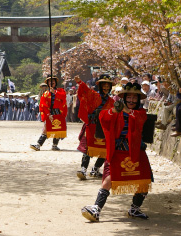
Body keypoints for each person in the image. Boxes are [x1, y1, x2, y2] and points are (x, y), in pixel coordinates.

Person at [81, 82, 152, 222]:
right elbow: (102, 117)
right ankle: (96, 208)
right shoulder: (115, 111)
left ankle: (134, 209)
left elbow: (137, 118)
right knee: (108, 180)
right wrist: (113, 111)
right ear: (124, 98)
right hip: (117, 151)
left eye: (135, 98)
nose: (131, 100)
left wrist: (124, 110)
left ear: (138, 100)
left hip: (135, 152)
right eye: (129, 97)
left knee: (144, 179)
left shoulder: (141, 112)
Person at [74, 74, 115, 180]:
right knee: (87, 148)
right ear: (100, 86)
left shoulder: (112, 101)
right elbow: (85, 90)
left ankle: (95, 169)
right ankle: (83, 169)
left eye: (108, 86)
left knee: (104, 150)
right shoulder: (93, 95)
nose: (106, 88)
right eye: (104, 86)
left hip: (104, 128)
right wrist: (80, 82)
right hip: (92, 125)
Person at [30, 75, 67, 151]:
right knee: (46, 129)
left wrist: (55, 92)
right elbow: (43, 105)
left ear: (55, 82)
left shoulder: (61, 91)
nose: (51, 83)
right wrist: (48, 114)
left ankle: (55, 145)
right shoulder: (46, 94)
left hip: (58, 112)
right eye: (49, 82)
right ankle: (38, 145)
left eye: (53, 81)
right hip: (49, 113)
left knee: (58, 129)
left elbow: (63, 97)